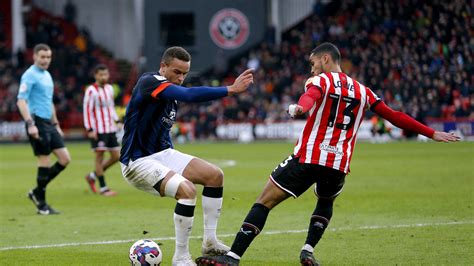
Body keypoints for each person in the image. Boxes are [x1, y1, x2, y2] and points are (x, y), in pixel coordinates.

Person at [195, 42, 460, 266]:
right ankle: (308, 250)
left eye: (313, 63)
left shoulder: (321, 80)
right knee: (325, 201)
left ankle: (232, 257)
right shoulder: (363, 91)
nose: (311, 69)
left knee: (264, 201)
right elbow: (395, 116)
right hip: (339, 163)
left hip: (309, 157)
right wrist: (430, 132)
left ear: (325, 59)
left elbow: (311, 96)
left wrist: (299, 109)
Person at [119, 46, 253, 266]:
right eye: (176, 72)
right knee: (187, 191)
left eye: (184, 73)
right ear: (163, 66)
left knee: (214, 175)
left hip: (162, 154)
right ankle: (181, 257)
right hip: (137, 161)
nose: (181, 78)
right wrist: (230, 89)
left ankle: (210, 241)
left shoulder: (169, 93)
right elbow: (189, 95)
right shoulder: (149, 81)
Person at [17, 43, 72, 215]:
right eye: (42, 57)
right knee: (45, 160)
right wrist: (30, 123)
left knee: (65, 159)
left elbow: (48, 101)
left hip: (48, 123)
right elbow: (21, 100)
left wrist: (56, 124)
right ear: (34, 57)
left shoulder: (47, 75)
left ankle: (36, 191)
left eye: (48, 57)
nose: (45, 60)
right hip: (37, 122)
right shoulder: (29, 75)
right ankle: (41, 204)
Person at [83, 64, 121, 196]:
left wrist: (117, 120)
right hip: (98, 129)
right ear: (96, 75)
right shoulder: (91, 91)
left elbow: (111, 107)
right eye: (101, 75)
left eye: (106, 74)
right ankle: (103, 188)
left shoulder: (110, 89)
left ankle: (92, 176)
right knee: (99, 157)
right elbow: (87, 110)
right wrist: (90, 129)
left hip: (110, 128)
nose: (104, 77)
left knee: (116, 156)